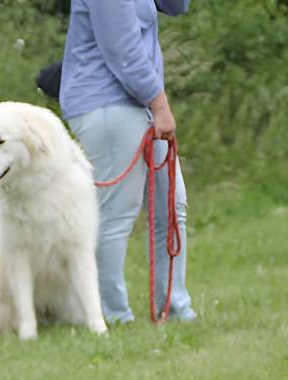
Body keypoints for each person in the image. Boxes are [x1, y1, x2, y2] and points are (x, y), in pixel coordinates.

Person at [59, 0, 196, 323]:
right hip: (107, 103)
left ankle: (175, 308)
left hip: (137, 102)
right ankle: (109, 315)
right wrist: (160, 104)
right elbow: (123, 49)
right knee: (115, 215)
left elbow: (176, 7)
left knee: (171, 207)